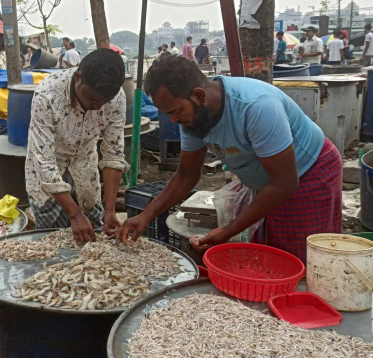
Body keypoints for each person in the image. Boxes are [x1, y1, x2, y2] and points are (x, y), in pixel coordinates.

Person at [118, 56, 342, 264]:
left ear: (199, 95)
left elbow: (284, 183)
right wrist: (146, 215)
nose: (173, 120)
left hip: (310, 173)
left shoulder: (257, 107)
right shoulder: (192, 119)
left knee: (300, 259)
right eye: (167, 114)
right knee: (268, 253)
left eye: (176, 111)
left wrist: (227, 231)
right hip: (268, 182)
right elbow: (186, 175)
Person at [26, 48, 128, 243]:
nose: (98, 107)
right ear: (78, 77)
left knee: (94, 238)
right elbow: (44, 159)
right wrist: (74, 215)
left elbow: (113, 154)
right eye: (93, 99)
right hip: (48, 169)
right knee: (51, 241)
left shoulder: (116, 98)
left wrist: (110, 210)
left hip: (85, 168)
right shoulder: (47, 95)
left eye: (104, 102)